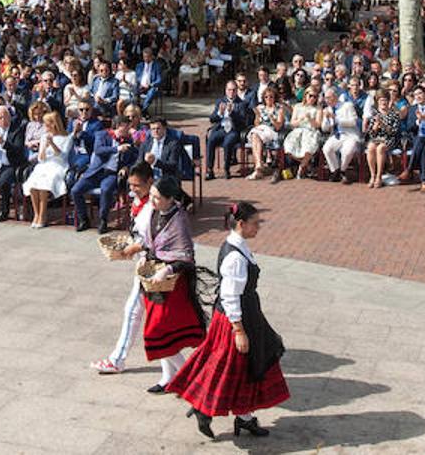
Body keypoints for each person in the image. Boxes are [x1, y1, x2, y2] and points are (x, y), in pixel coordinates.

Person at [167, 200, 289, 440]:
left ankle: (244, 418)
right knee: (228, 367)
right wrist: (238, 330)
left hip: (244, 314)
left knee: (244, 368)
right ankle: (204, 408)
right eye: (255, 224)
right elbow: (230, 295)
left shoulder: (238, 245)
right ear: (241, 224)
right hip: (236, 318)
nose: (258, 228)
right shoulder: (235, 257)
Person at [133, 174, 205, 394]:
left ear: (169, 198)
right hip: (154, 281)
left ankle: (189, 376)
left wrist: (167, 269)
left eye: (156, 197)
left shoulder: (179, 219)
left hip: (172, 284)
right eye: (151, 196)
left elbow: (185, 256)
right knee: (161, 333)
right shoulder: (154, 212)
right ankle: (168, 378)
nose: (152, 201)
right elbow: (149, 241)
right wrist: (146, 254)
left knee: (157, 332)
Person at [92, 161, 154, 375]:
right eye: (131, 184)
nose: (132, 189)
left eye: (137, 185)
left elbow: (152, 240)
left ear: (150, 182)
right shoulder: (139, 201)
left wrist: (128, 250)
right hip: (146, 262)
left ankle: (117, 360)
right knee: (143, 314)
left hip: (153, 265)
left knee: (135, 312)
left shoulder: (153, 206)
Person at [74, 116, 137, 234]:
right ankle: (84, 219)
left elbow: (134, 158)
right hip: (95, 172)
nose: (129, 129)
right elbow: (98, 150)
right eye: (127, 126)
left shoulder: (129, 141)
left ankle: (103, 219)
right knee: (75, 190)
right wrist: (117, 149)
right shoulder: (102, 135)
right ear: (120, 126)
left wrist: (126, 167)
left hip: (111, 173)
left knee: (106, 189)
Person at [23, 110, 73, 228]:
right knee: (33, 184)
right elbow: (41, 159)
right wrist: (44, 147)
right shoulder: (44, 137)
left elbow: (63, 156)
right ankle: (36, 214)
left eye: (47, 124)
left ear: (53, 124)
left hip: (58, 165)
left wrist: (53, 144)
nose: (45, 126)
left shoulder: (67, 137)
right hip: (44, 165)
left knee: (44, 185)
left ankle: (43, 215)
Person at [205, 82, 250, 180]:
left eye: (233, 90)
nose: (231, 92)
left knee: (228, 142)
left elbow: (242, 122)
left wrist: (232, 113)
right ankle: (209, 170)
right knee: (211, 139)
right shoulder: (220, 101)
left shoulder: (241, 103)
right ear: (226, 90)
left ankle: (226, 168)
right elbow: (212, 119)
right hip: (221, 129)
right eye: (229, 90)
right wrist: (219, 113)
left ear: (236, 91)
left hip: (233, 130)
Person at [363, 91, 401, 190]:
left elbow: (393, 132)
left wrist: (383, 125)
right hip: (377, 138)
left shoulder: (394, 114)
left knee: (380, 148)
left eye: (385, 100)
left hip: (389, 138)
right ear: (378, 102)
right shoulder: (375, 114)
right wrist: (375, 127)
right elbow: (371, 133)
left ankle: (379, 176)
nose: (383, 102)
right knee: (370, 147)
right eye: (381, 100)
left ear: (388, 101)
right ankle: (373, 175)